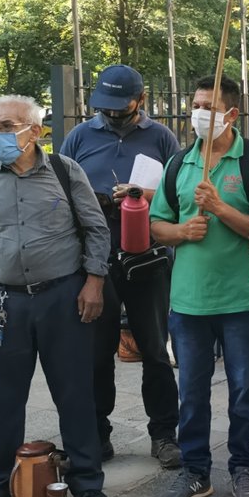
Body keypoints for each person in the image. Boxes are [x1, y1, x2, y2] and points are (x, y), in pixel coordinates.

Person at [0, 96, 111, 497]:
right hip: (5, 304)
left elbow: (97, 228)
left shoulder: (64, 172)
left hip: (65, 298)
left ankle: (88, 485)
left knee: (76, 395)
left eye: (8, 125)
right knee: (1, 402)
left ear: (34, 131)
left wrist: (94, 282)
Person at [149, 77, 249, 497]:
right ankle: (195, 471)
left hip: (240, 299)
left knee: (243, 391)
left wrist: (220, 209)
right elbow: (157, 225)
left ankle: (243, 470)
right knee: (192, 393)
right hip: (188, 302)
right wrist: (180, 231)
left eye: (208, 106)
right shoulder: (179, 163)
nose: (198, 113)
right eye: (195, 105)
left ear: (231, 114)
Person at [58, 63, 181, 467]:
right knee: (96, 353)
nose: (111, 113)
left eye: (120, 105)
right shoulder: (79, 137)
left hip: (149, 260)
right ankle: (97, 433)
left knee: (154, 351)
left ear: (140, 100)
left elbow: (179, 195)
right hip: (95, 263)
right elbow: (59, 192)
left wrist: (142, 193)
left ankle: (163, 434)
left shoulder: (161, 137)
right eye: (104, 106)